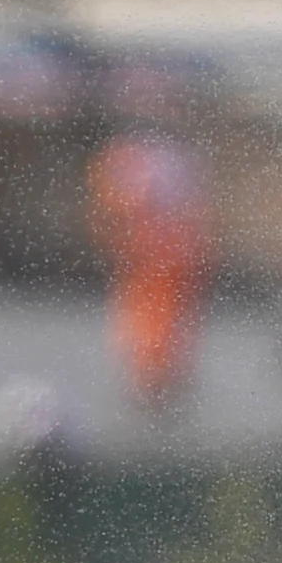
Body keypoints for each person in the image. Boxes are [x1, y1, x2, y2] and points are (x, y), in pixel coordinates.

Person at [86, 121, 211, 405]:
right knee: (149, 321)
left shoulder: (158, 157)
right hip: (151, 257)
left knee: (165, 322)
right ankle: (152, 380)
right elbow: (115, 210)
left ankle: (159, 380)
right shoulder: (140, 156)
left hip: (166, 257)